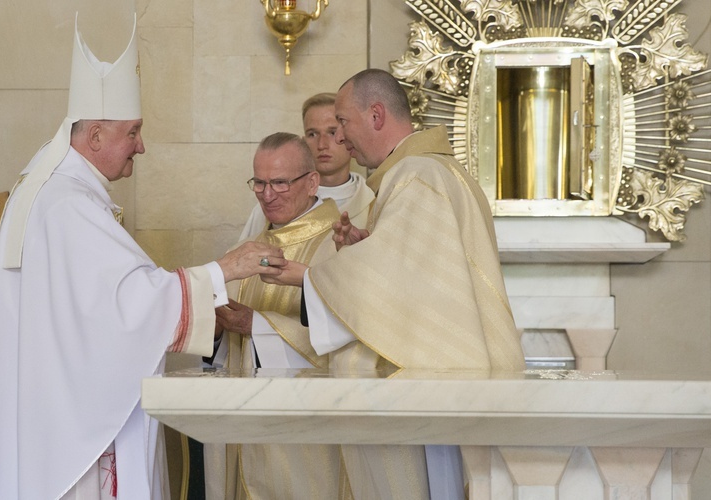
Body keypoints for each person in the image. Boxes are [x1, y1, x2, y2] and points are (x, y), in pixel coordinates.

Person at [0, 16, 283, 500]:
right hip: (72, 430)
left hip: (51, 409)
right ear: (94, 136)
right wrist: (226, 269)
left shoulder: (53, 188)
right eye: (133, 132)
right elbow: (127, 307)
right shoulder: (69, 203)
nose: (142, 145)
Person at [266, 68, 526, 499]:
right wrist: (365, 248)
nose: (342, 139)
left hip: (426, 388)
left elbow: (399, 278)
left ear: (376, 115)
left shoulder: (418, 176)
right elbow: (417, 276)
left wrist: (310, 276)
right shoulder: (424, 172)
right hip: (432, 382)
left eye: (344, 123)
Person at [204, 132, 349, 500]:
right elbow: (220, 352)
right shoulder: (245, 250)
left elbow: (350, 341)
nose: (267, 195)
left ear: (312, 182)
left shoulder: (340, 248)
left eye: (280, 183)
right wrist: (217, 329)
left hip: (306, 440)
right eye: (259, 183)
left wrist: (258, 327)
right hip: (245, 431)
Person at [238, 92, 373, 241]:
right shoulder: (271, 205)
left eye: (332, 132)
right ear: (303, 142)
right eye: (312, 134)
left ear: (347, 136)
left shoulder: (373, 202)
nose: (322, 144)